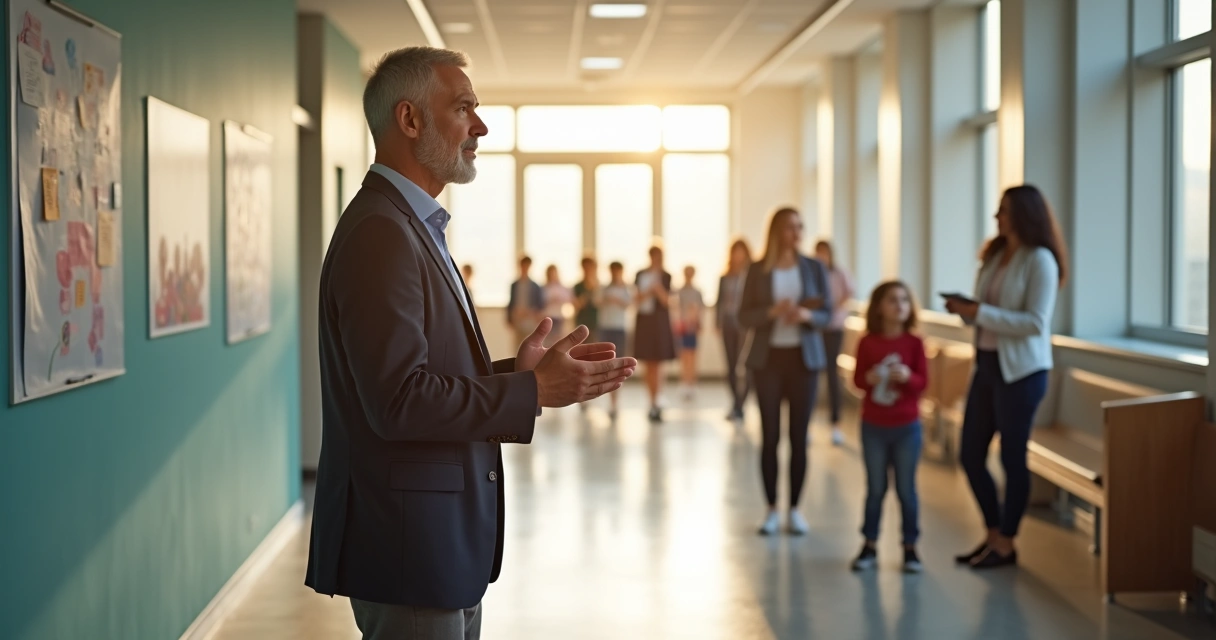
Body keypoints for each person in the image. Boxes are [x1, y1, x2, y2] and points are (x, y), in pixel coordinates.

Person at [306, 46, 637, 640]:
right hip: (411, 547)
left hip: (434, 544)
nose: (480, 126)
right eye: (464, 109)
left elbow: (421, 373)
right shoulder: (382, 233)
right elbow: (399, 400)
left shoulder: (409, 224)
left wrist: (518, 373)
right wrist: (530, 392)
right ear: (410, 121)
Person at [945, 184, 1066, 570]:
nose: (997, 217)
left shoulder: (1040, 259)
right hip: (987, 365)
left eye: (1005, 210)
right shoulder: (995, 255)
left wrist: (979, 312)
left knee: (1013, 459)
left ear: (1024, 215)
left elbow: (1035, 323)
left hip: (1023, 373)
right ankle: (994, 533)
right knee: (970, 455)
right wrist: (965, 310)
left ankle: (1006, 543)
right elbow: (985, 313)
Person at [739, 207, 832, 536]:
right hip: (768, 361)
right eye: (791, 227)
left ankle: (794, 509)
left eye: (800, 227)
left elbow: (827, 313)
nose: (797, 233)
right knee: (770, 437)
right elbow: (744, 317)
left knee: (798, 437)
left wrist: (806, 318)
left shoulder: (813, 268)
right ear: (777, 230)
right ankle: (770, 509)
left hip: (803, 361)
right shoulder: (758, 270)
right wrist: (771, 312)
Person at [849, 281, 928, 574]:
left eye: (904, 300)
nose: (899, 306)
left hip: (907, 427)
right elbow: (856, 382)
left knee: (907, 490)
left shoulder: (915, 343)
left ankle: (910, 547)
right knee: (876, 488)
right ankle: (869, 545)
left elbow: (923, 384)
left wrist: (908, 377)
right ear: (879, 307)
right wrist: (868, 379)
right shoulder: (867, 342)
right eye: (892, 300)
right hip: (874, 426)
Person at [815, 239, 855, 446]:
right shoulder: (812, 272)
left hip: (834, 328)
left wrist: (833, 308)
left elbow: (849, 292)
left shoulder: (839, 273)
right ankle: (808, 427)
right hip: (815, 329)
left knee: (832, 374)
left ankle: (835, 424)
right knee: (812, 375)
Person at [634, 246, 676, 422]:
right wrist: (648, 291)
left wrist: (658, 290)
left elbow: (668, 301)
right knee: (648, 362)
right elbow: (636, 298)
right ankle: (651, 399)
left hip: (659, 322)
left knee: (658, 362)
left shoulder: (666, 276)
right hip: (645, 322)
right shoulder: (640, 274)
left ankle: (657, 399)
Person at [717, 239, 753, 421]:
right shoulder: (724, 277)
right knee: (730, 366)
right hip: (728, 324)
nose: (738, 255)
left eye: (741, 251)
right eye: (735, 251)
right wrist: (717, 323)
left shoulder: (752, 274)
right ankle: (736, 403)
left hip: (745, 326)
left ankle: (740, 405)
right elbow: (719, 302)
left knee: (745, 367)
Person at [599, 261, 632, 418]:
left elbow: (629, 304)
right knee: (606, 365)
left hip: (619, 329)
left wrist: (616, 300)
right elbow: (597, 302)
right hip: (605, 328)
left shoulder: (626, 288)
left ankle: (615, 402)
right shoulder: (604, 288)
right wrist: (607, 299)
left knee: (618, 366)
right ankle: (607, 399)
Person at [675, 265, 704, 400]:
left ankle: (692, 384)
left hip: (693, 328)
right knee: (684, 357)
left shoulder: (697, 292)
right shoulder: (680, 292)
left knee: (693, 357)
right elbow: (677, 309)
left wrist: (699, 323)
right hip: (683, 328)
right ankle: (684, 384)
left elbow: (701, 310)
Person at [506, 256, 544, 347]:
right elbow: (511, 302)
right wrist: (509, 318)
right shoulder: (514, 285)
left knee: (529, 345)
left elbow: (539, 304)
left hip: (529, 320)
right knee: (517, 346)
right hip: (517, 319)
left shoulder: (535, 286)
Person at [543, 265, 574, 346]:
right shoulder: (544, 288)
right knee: (547, 342)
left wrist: (558, 299)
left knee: (557, 341)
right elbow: (541, 302)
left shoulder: (562, 288)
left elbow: (569, 298)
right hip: (547, 317)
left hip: (559, 318)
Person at [572, 257, 600, 346]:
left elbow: (600, 303)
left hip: (596, 324)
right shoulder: (578, 286)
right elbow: (577, 305)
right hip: (581, 322)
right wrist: (588, 291)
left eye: (590, 267)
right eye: (586, 267)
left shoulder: (599, 286)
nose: (588, 270)